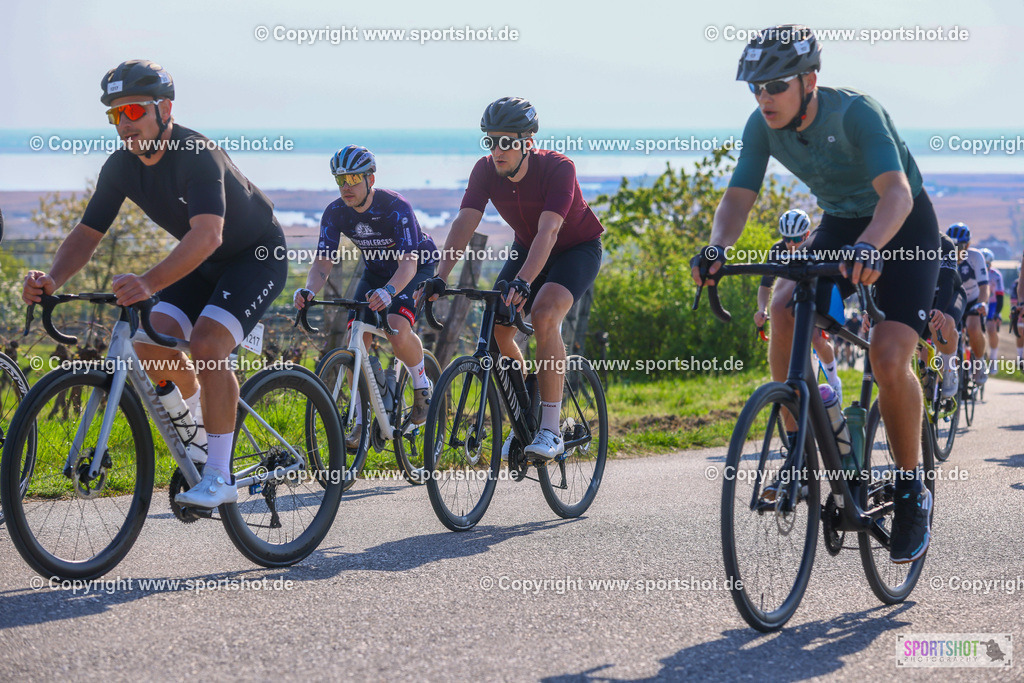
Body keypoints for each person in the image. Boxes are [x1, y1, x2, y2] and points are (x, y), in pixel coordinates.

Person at [691, 25, 939, 563]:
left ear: (809, 80)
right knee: (783, 308)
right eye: (754, 88)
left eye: (774, 86)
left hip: (901, 225)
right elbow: (738, 196)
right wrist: (715, 249)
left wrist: (873, 246)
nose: (764, 98)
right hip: (841, 224)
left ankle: (910, 486)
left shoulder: (856, 114)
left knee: (889, 354)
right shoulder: (762, 126)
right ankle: (798, 449)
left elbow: (895, 195)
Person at [22, 60, 288, 508]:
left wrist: (148, 281)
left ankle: (220, 477)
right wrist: (51, 278)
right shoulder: (122, 166)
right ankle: (199, 432)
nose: (124, 125)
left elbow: (209, 235)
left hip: (254, 256)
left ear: (164, 109)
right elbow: (87, 235)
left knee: (207, 344)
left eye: (133, 112)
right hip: (201, 264)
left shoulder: (197, 155)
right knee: (149, 341)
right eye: (115, 115)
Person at [418, 97, 603, 460]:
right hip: (526, 248)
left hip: (575, 249)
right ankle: (526, 409)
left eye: (506, 142)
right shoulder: (485, 170)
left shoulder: (559, 168)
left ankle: (551, 429)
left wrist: (523, 281)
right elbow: (464, 223)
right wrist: (440, 277)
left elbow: (549, 231)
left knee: (545, 313)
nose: (497, 150)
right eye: (491, 141)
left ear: (527, 142)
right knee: (499, 328)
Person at [295, 146, 437, 445]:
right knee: (356, 341)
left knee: (397, 328)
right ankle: (361, 421)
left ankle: (423, 387)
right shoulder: (335, 212)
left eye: (353, 179)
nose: (346, 187)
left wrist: (389, 292)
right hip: (375, 272)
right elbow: (323, 261)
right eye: (340, 180)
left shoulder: (396, 206)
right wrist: (309, 290)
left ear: (370, 178)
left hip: (414, 267)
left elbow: (408, 263)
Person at [754, 209, 843, 403]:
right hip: (790, 302)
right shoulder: (777, 250)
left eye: (796, 238)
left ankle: (834, 379)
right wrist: (762, 309)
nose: (792, 244)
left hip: (814, 296)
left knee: (817, 340)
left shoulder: (815, 248)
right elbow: (765, 285)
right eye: (787, 239)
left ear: (807, 235)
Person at [948, 223, 989, 384]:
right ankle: (951, 373)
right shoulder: (944, 255)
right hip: (955, 300)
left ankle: (979, 362)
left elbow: (984, 286)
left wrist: (982, 303)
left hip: (973, 300)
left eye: (961, 245)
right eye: (953, 245)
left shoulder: (975, 256)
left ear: (968, 244)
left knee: (973, 327)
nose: (957, 249)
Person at [927, 233, 966, 398]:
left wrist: (940, 311)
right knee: (918, 347)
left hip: (951, 293)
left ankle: (950, 367)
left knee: (941, 323)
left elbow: (948, 282)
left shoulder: (944, 243)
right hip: (925, 296)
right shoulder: (899, 242)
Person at [981, 248, 1004, 375]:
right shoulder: (975, 272)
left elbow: (1000, 296)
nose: (985, 267)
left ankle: (993, 359)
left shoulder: (996, 275)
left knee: (991, 328)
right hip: (979, 302)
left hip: (993, 304)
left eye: (988, 264)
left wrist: (997, 313)